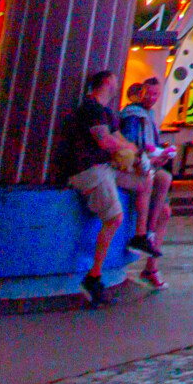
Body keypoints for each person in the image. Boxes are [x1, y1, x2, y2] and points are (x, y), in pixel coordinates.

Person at [53, 70, 131, 307]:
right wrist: (128, 151)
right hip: (89, 169)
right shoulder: (93, 110)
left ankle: (141, 235)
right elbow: (104, 141)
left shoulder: (103, 111)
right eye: (115, 81)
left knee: (147, 182)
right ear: (107, 82)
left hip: (100, 167)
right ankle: (94, 275)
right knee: (114, 218)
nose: (117, 85)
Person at [117, 77, 176, 289]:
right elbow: (132, 145)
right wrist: (153, 156)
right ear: (139, 93)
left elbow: (149, 145)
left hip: (146, 163)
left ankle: (151, 263)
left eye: (156, 95)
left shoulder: (146, 115)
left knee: (165, 208)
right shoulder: (133, 116)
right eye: (149, 94)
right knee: (161, 183)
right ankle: (147, 237)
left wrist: (159, 153)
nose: (152, 98)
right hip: (137, 166)